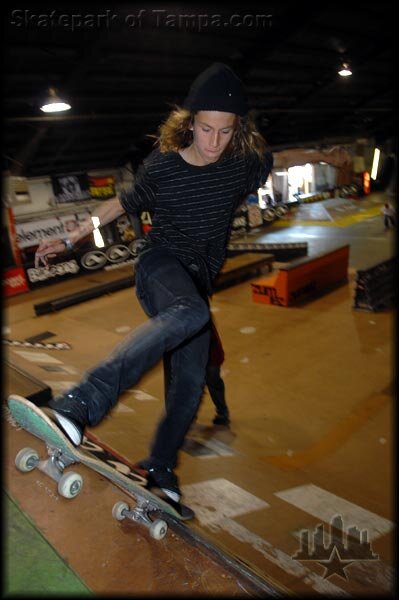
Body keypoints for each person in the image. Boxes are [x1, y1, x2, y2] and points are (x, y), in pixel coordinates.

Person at [34, 64, 351, 503]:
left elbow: (287, 157)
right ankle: (79, 405)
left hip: (197, 284)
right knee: (191, 311)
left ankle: (161, 469)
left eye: (224, 132)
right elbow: (115, 208)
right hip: (159, 267)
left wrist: (328, 156)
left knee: (188, 388)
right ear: (190, 123)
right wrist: (70, 236)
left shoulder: (241, 165)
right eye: (205, 129)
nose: (214, 143)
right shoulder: (164, 167)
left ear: (236, 131)